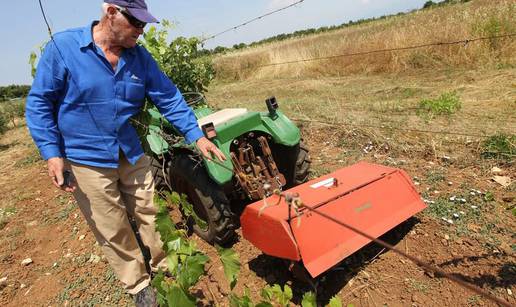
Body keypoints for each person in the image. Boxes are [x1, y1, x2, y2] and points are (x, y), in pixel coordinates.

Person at [25, 0, 225, 306]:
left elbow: (168, 97)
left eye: (145, 25)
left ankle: (166, 266)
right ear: (110, 13)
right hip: (85, 159)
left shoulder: (139, 58)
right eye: (136, 23)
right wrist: (52, 152)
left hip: (129, 151)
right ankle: (139, 286)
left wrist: (196, 136)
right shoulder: (64, 48)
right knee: (113, 226)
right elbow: (39, 103)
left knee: (152, 212)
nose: (141, 31)